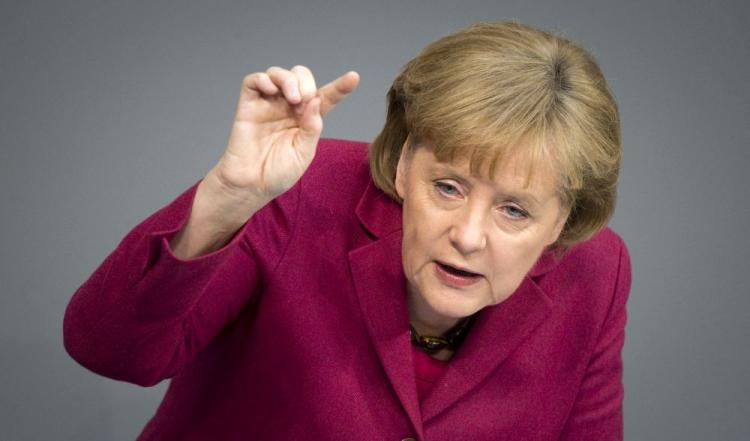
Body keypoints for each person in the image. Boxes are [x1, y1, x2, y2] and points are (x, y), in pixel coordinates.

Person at [64, 21, 630, 440]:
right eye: (449, 188)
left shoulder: (597, 274)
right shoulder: (302, 190)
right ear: (406, 162)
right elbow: (109, 351)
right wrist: (228, 199)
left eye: (515, 211)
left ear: (564, 222)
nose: (468, 236)